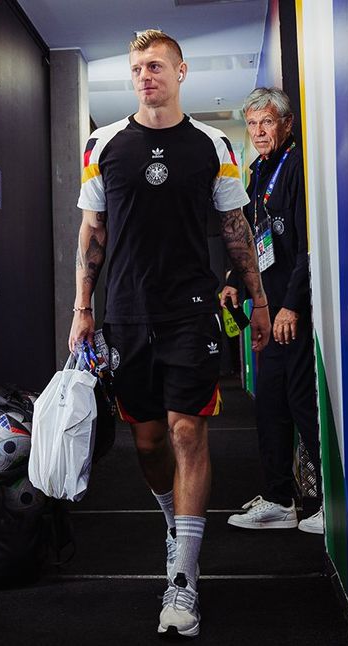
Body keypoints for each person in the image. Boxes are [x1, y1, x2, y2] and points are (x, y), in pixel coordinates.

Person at [68, 30, 271, 638]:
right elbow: (93, 233)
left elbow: (237, 230)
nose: (145, 76)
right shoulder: (102, 144)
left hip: (191, 312)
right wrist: (81, 307)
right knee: (150, 442)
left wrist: (258, 301)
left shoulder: (215, 144)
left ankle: (182, 575)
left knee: (187, 431)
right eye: (137, 69)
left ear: (181, 71)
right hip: (125, 313)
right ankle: (174, 521)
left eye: (155, 66)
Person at [222, 87, 324, 534]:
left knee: (303, 404)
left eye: (267, 123)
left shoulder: (298, 165)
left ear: (286, 124)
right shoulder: (259, 171)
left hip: (293, 311)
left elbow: (306, 247)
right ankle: (281, 499)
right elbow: (249, 236)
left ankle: (325, 504)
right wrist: (232, 282)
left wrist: (291, 307)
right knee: (270, 406)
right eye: (252, 124)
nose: (259, 132)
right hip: (269, 309)